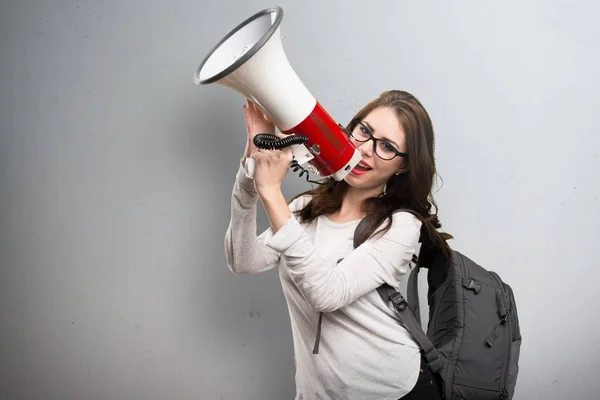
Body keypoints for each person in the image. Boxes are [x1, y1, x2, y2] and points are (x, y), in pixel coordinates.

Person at [224, 90, 451, 399]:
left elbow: (327, 294)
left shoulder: (399, 226)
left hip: (391, 392)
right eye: (365, 131)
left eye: (386, 146)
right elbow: (243, 259)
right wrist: (250, 175)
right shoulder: (306, 208)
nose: (366, 149)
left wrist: (272, 193)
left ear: (403, 166)